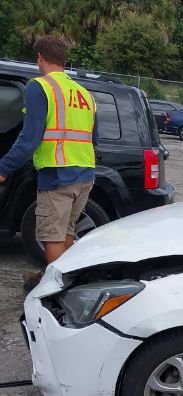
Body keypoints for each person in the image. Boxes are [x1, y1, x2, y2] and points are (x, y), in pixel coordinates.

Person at [0, 36, 98, 291]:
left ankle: (58, 292)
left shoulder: (39, 87)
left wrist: (3, 168)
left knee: (51, 237)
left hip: (57, 175)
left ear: (40, 58)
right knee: (66, 233)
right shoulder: (84, 93)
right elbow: (92, 138)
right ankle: (69, 283)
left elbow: (29, 139)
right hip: (85, 174)